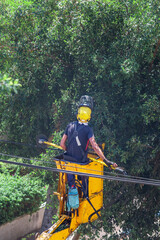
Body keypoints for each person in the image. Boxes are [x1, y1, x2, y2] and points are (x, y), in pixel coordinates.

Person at [60, 95, 118, 191]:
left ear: (77, 114)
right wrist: (106, 160)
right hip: (81, 163)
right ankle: (84, 192)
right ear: (89, 116)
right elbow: (94, 146)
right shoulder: (88, 130)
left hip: (69, 162)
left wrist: (69, 150)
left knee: (71, 186)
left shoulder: (69, 125)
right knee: (84, 182)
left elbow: (62, 144)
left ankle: (72, 191)